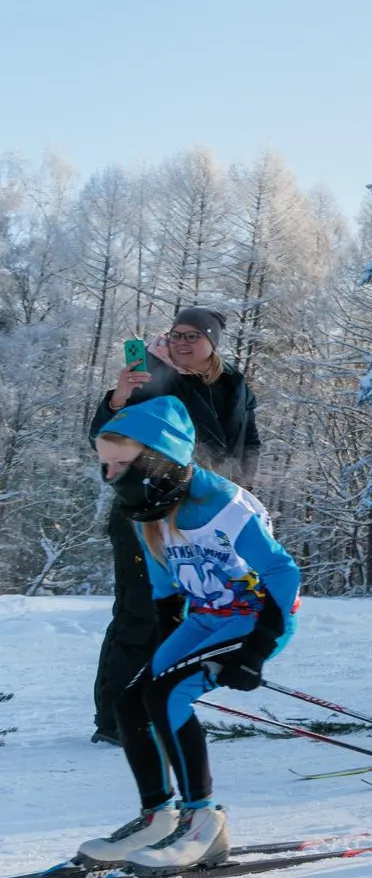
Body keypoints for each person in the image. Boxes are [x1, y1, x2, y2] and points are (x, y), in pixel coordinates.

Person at [79, 397, 299, 872]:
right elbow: (164, 589)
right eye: (106, 465)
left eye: (121, 463)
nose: (111, 475)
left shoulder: (221, 503)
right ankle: (159, 817)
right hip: (203, 618)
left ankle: (205, 824)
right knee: (130, 702)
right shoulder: (148, 508)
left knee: (168, 697)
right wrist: (167, 642)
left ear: (158, 458)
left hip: (253, 619)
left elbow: (283, 574)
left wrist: (256, 651)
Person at [89, 307, 262, 747]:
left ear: (212, 342)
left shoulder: (234, 386)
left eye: (192, 336)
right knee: (140, 611)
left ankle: (157, 704)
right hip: (144, 511)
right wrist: (119, 397)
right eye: (175, 334)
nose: (181, 342)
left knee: (184, 614)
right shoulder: (154, 378)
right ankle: (114, 719)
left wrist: (238, 491)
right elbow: (104, 437)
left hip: (200, 514)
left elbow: (247, 442)